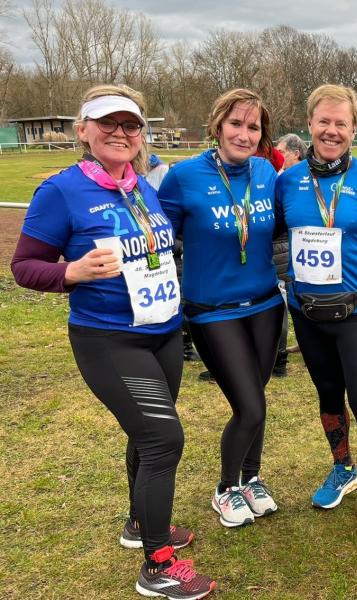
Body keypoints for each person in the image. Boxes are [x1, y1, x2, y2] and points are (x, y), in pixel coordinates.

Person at [10, 84, 215, 599]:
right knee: (164, 440)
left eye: (130, 125)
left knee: (146, 437)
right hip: (109, 340)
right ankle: (158, 565)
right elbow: (23, 266)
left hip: (162, 334)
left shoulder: (141, 186)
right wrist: (71, 272)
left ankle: (140, 523)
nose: (120, 133)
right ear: (83, 131)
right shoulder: (61, 191)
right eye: (108, 123)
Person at [276, 84, 357, 538]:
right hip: (307, 312)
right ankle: (343, 468)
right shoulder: (287, 181)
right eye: (324, 121)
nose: (331, 131)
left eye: (341, 123)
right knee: (329, 396)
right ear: (309, 124)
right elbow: (275, 235)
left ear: (354, 129)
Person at [158, 88, 284, 529]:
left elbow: (281, 227)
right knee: (249, 407)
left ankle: (252, 479)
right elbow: (159, 238)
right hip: (213, 310)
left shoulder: (266, 172)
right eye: (236, 124)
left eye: (253, 127)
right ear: (217, 125)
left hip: (266, 305)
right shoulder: (182, 176)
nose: (244, 135)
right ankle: (226, 488)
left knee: (257, 399)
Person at [273, 133, 309, 367]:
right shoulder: (282, 178)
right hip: (286, 248)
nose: (277, 156)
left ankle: (292, 350)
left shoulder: (299, 180)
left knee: (290, 298)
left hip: (291, 249)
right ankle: (303, 344)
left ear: (295, 154)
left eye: (281, 152)